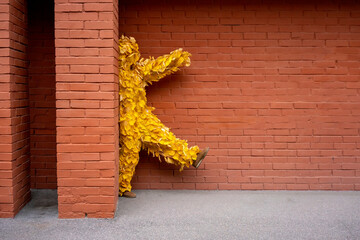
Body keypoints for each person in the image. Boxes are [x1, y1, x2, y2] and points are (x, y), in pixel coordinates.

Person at [119, 36, 209, 198]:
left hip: (142, 117)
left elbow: (156, 67)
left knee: (163, 138)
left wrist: (176, 58)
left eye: (133, 54)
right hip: (127, 122)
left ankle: (192, 158)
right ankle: (123, 187)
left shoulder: (138, 71)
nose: (131, 58)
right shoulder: (117, 76)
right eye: (127, 55)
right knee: (129, 152)